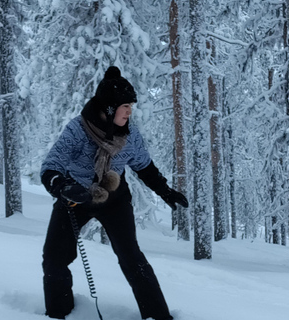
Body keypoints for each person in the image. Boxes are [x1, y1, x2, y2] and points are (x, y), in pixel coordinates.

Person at [40, 66, 189, 320]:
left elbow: (144, 167)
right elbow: (51, 166)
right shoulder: (78, 130)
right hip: (75, 197)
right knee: (54, 257)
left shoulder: (130, 136)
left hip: (115, 199)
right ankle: (58, 313)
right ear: (109, 108)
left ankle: (158, 316)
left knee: (131, 257)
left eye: (131, 106)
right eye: (125, 106)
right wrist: (63, 187)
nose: (130, 111)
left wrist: (166, 192)